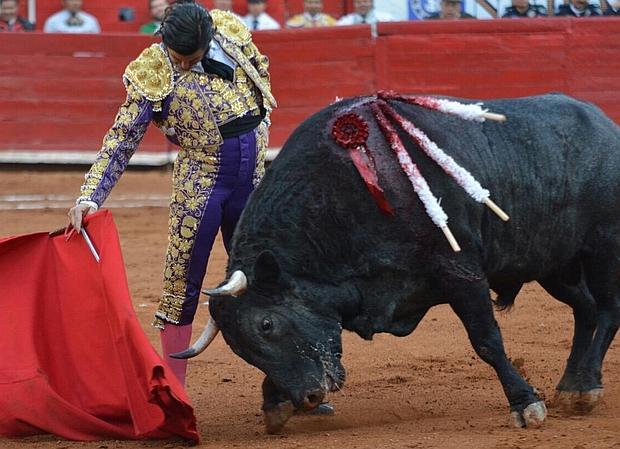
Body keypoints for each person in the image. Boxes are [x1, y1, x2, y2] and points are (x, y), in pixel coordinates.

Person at [67, 0, 276, 388]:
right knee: (182, 284)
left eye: (190, 58)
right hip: (202, 185)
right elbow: (123, 137)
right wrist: (90, 195)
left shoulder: (229, 31)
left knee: (269, 279)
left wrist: (262, 127)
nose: (181, 65)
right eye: (177, 58)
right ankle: (174, 392)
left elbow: (261, 73)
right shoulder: (153, 69)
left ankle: (288, 382)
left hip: (253, 181)